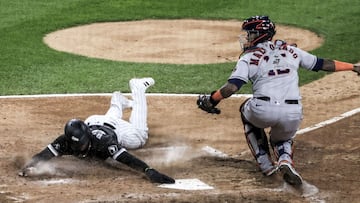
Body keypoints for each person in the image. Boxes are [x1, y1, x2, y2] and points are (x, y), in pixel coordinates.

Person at [197, 15, 360, 186]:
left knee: (246, 110)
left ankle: (266, 165)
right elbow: (323, 64)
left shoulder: (248, 57)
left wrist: (211, 100)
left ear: (259, 34)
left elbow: (231, 88)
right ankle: (285, 162)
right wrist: (353, 67)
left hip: (262, 110)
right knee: (283, 138)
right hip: (293, 113)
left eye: (250, 33)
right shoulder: (292, 51)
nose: (247, 37)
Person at [19, 77, 175, 184]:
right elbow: (44, 154)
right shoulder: (65, 141)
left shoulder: (104, 143)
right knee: (108, 119)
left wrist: (148, 170)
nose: (79, 148)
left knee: (140, 137)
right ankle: (118, 101)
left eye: (81, 145)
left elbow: (127, 159)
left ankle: (138, 88)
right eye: (76, 146)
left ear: (87, 137)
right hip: (93, 121)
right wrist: (31, 166)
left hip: (115, 129)